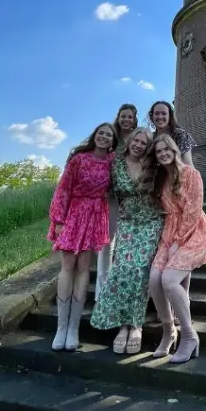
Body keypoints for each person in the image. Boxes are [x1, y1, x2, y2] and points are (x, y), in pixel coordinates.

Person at [90, 128, 162, 354]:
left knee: (140, 270)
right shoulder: (116, 165)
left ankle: (137, 325)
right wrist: (109, 231)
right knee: (122, 269)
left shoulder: (153, 166)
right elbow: (111, 199)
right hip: (127, 223)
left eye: (144, 142)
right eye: (136, 140)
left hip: (150, 222)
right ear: (129, 141)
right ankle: (123, 326)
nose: (139, 145)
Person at [47, 122, 117, 352]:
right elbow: (63, 188)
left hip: (96, 215)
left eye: (108, 135)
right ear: (94, 135)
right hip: (75, 213)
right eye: (101, 133)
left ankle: (74, 328)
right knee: (68, 265)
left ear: (112, 141)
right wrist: (58, 221)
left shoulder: (112, 162)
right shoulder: (79, 159)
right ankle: (61, 327)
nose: (104, 137)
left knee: (84, 267)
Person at [148, 134, 206, 364]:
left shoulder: (192, 174)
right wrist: (169, 241)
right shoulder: (162, 179)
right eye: (158, 152)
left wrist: (177, 243)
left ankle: (189, 335)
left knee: (169, 280)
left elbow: (193, 212)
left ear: (174, 150)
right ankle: (168, 330)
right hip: (170, 232)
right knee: (154, 278)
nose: (163, 153)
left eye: (166, 149)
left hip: (194, 232)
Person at [96, 104, 139, 301]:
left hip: (131, 198)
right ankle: (102, 292)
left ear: (135, 119)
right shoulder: (111, 139)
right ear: (118, 117)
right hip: (112, 197)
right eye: (123, 116)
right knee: (107, 243)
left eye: (130, 117)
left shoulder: (137, 139)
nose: (126, 120)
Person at [148, 101, 195, 167]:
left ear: (170, 116)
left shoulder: (180, 135)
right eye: (157, 113)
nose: (160, 116)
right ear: (152, 116)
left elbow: (188, 164)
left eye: (164, 113)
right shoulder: (150, 137)